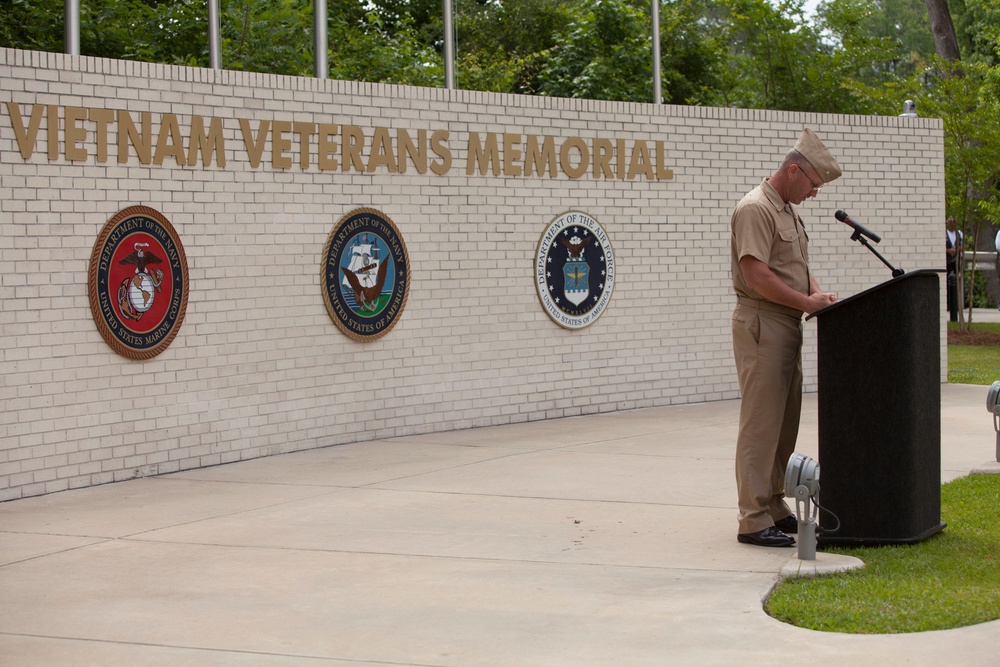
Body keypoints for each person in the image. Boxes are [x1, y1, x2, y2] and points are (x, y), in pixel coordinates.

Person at [730, 128, 841, 547]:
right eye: (813, 184)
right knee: (761, 423)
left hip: (786, 322)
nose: (814, 193)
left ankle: (775, 503)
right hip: (763, 322)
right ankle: (753, 517)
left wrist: (813, 295)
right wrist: (806, 302)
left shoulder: (787, 210)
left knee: (783, 421)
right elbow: (756, 275)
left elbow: (795, 264)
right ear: (794, 171)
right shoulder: (756, 209)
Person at [946, 217, 963, 322]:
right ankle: (948, 304)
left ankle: (956, 305)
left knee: (956, 281)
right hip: (947, 260)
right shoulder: (944, 233)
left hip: (956, 260)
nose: (952, 224)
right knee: (948, 282)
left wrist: (958, 249)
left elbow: (963, 246)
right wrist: (948, 250)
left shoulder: (959, 233)